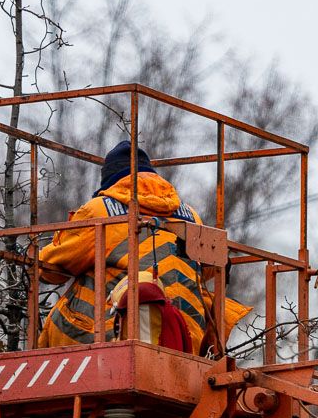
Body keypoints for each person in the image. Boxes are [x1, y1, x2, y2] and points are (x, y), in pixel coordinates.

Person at [36, 140, 250, 354]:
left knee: (87, 280)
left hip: (115, 336)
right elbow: (209, 269)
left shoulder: (99, 210)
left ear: (109, 182)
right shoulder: (191, 216)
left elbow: (50, 269)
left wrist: (34, 259)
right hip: (187, 337)